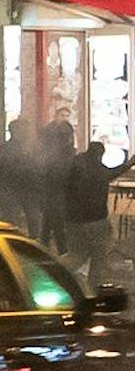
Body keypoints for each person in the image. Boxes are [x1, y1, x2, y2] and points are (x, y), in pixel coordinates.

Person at [65, 140, 118, 290]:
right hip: (95, 220)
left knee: (77, 254)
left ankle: (54, 274)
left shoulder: (76, 165)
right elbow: (111, 173)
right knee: (99, 255)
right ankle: (93, 289)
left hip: (73, 219)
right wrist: (130, 163)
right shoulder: (97, 170)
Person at [41, 120, 77, 257]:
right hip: (57, 196)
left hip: (57, 196)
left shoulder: (55, 154)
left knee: (52, 227)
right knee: (56, 227)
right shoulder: (57, 155)